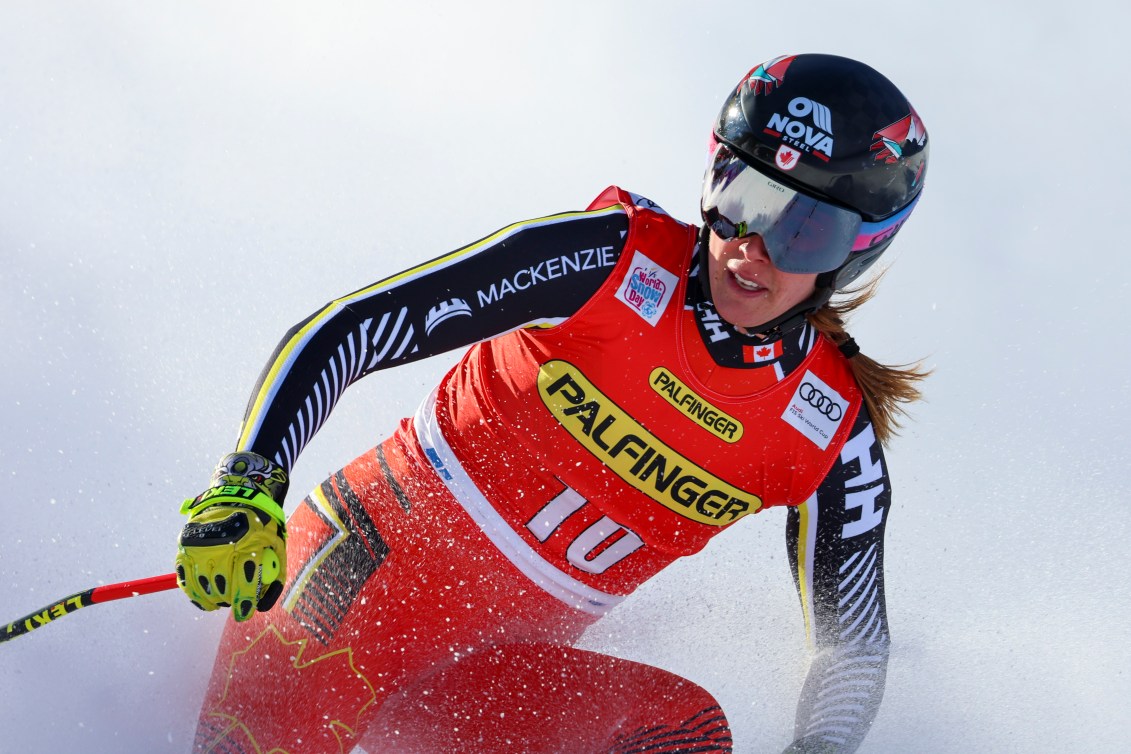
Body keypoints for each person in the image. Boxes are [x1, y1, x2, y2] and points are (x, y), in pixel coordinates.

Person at [174, 52, 929, 754]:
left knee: (681, 733)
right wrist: (249, 480)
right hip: (353, 593)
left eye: (802, 231)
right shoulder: (609, 259)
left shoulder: (826, 430)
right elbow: (354, 328)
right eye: (739, 198)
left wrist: (818, 747)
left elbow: (850, 643)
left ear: (859, 247)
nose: (750, 245)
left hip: (487, 682)